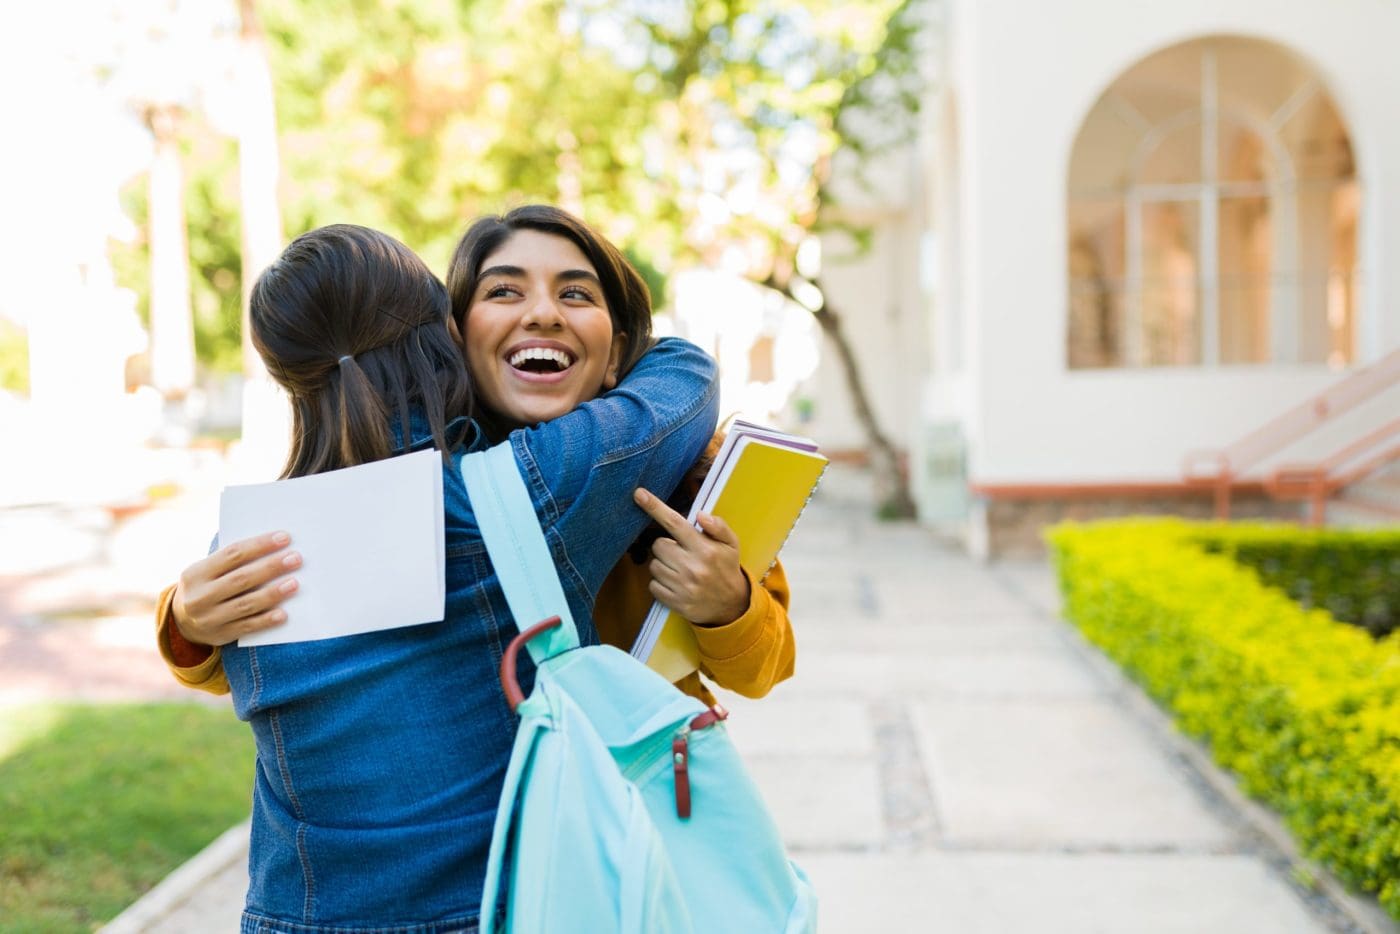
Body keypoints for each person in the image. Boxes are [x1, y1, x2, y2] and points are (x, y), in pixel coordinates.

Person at [171, 221, 720, 931]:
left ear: (285, 372)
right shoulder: (529, 486)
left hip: (296, 915)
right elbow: (688, 375)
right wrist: (611, 344)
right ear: (443, 336)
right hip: (494, 908)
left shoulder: (242, 546)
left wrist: (182, 621)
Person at [161, 206, 795, 710]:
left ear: (616, 354)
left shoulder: (692, 480)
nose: (543, 313)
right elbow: (287, 637)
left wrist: (729, 604)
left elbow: (768, 667)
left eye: (576, 294)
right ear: (455, 338)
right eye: (504, 292)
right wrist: (189, 620)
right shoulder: (419, 482)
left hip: (638, 817)